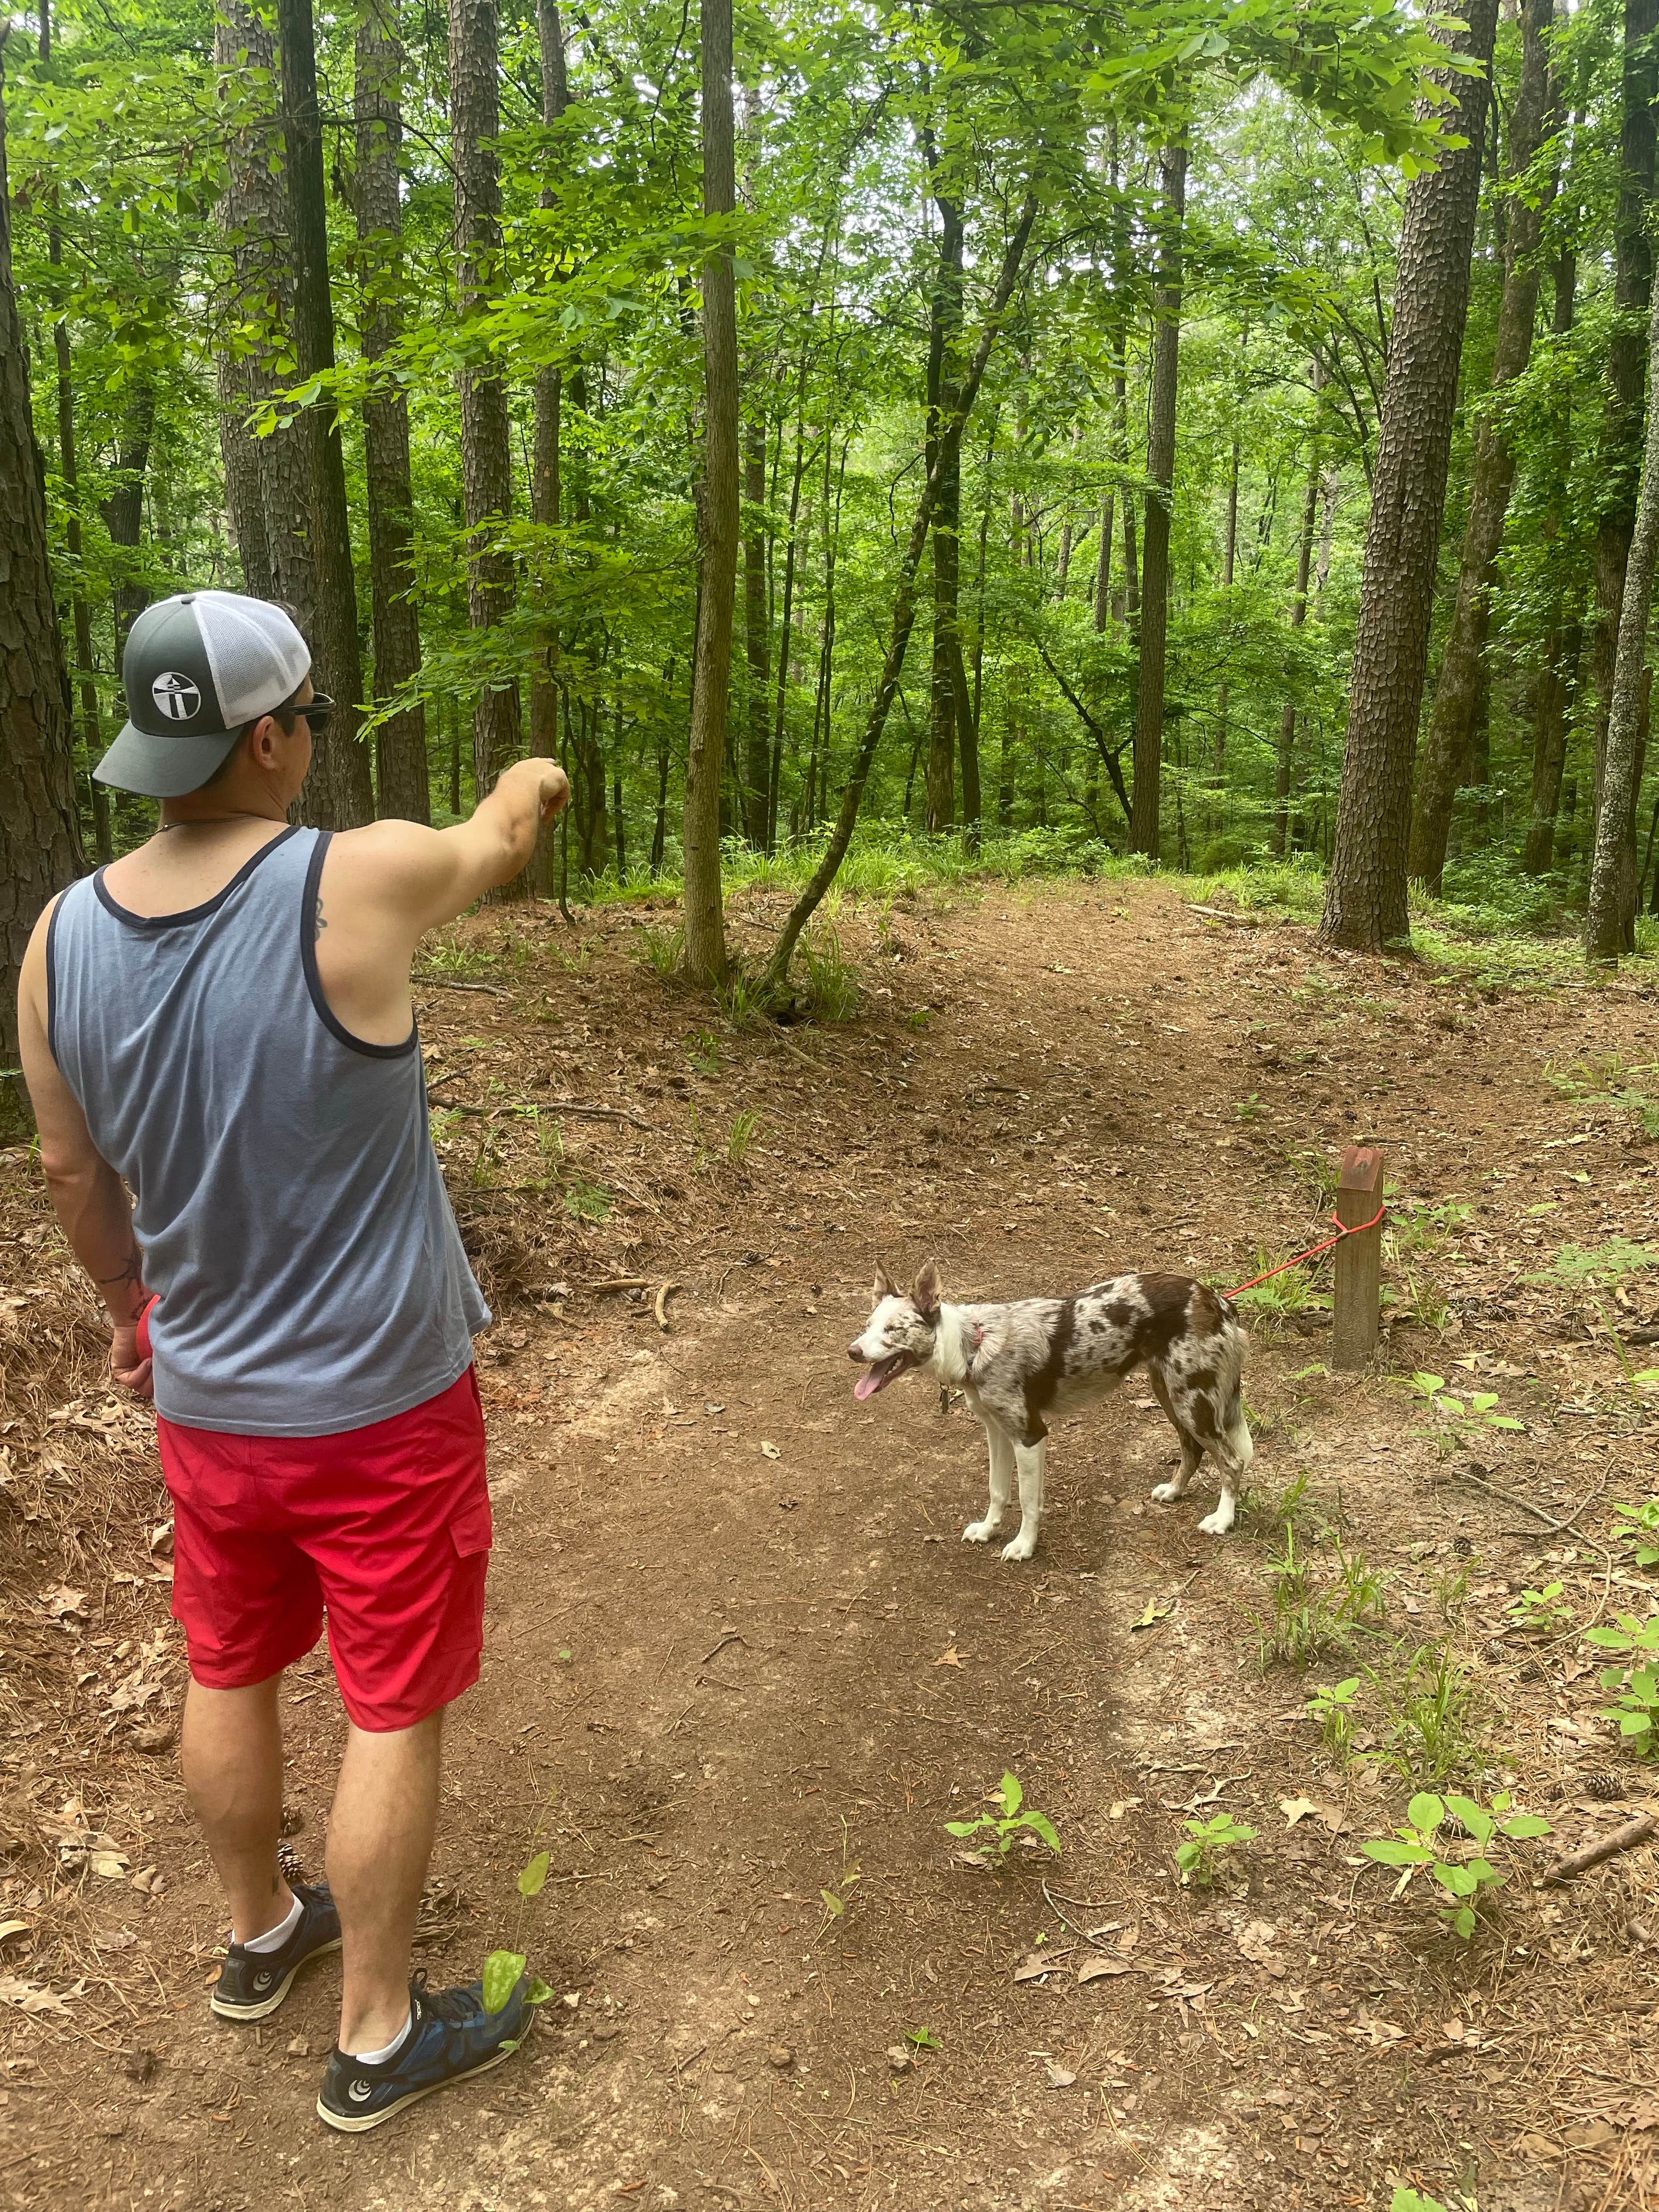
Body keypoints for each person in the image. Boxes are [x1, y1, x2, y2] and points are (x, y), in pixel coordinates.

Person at [15, 589, 568, 2134]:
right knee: (389, 1702)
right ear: (269, 738)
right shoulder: (357, 881)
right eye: (307, 720)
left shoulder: (59, 938)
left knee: (229, 1661)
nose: (312, 743)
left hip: (208, 1406)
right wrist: (532, 777)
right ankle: (378, 2034)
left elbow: (71, 1177)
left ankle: (260, 1932)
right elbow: (495, 844)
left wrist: (135, 1308)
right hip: (382, 1407)